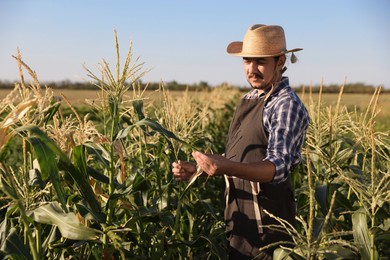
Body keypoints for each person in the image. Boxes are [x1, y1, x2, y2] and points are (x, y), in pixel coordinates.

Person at [172, 24, 310, 259]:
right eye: (247, 60)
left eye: (261, 62)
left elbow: (276, 167)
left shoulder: (285, 104)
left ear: (280, 62)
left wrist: (226, 166)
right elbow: (240, 160)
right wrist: (200, 170)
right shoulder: (249, 99)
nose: (251, 69)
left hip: (269, 230)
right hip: (239, 223)